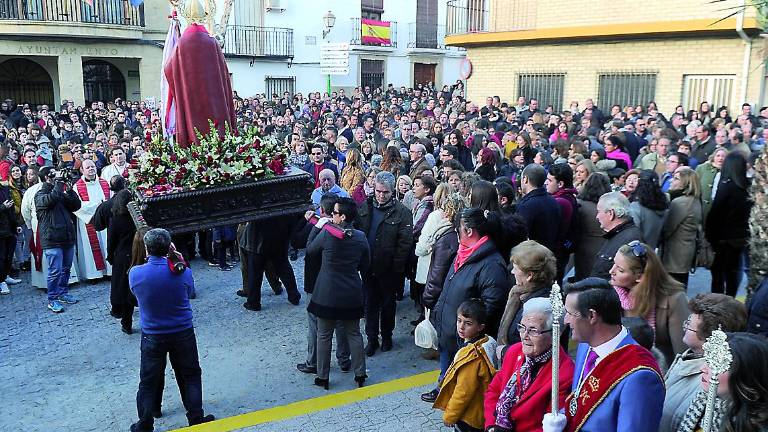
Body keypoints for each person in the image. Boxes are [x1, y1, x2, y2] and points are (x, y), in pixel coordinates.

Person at [542, 277, 665, 432]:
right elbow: (579, 404)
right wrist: (561, 418)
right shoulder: (585, 346)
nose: (565, 320)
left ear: (592, 316)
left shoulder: (640, 376)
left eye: (570, 313)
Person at [128, 229, 215, 431]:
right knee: (190, 375)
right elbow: (191, 292)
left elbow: (136, 297)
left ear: (146, 250)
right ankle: (195, 416)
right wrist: (179, 260)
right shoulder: (183, 272)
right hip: (182, 331)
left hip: (152, 334)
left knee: (148, 381)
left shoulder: (136, 274)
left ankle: (145, 423)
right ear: (169, 247)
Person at [424, 208, 509, 403]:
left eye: (458, 229)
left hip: (465, 339)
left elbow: (491, 304)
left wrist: (469, 332)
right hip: (449, 331)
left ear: (469, 231)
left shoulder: (491, 264)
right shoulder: (462, 253)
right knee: (447, 367)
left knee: (463, 384)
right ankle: (442, 389)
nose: (456, 233)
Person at [306, 197, 370, 390]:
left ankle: (323, 377)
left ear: (342, 217)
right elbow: (365, 264)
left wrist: (317, 226)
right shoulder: (360, 236)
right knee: (354, 334)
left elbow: (310, 250)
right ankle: (360, 373)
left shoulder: (327, 233)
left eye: (334, 213)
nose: (331, 215)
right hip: (351, 292)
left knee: (324, 334)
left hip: (326, 293)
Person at [485, 298, 575, 432]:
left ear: (554, 334)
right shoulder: (514, 352)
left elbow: (550, 426)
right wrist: (491, 426)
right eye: (522, 327)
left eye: (533, 330)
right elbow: (493, 391)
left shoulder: (564, 372)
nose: (524, 336)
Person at [660, 294, 747, 432]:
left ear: (710, 337)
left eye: (689, 325)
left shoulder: (711, 382)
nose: (684, 326)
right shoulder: (688, 357)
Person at [355, 171, 413, 356]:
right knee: (370, 305)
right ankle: (372, 338)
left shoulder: (403, 212)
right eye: (378, 191)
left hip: (389, 270)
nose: (381, 195)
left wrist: (396, 269)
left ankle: (387, 336)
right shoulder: (365, 207)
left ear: (392, 191)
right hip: (368, 267)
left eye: (385, 192)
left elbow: (404, 244)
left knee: (388, 305)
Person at [296, 194, 352, 376]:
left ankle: (313, 362)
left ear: (322, 210)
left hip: (315, 284)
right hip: (340, 283)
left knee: (316, 326)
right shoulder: (346, 228)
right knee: (341, 323)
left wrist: (307, 223)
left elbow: (299, 243)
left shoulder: (318, 228)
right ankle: (344, 359)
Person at [610, 241, 690, 364]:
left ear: (640, 277)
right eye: (614, 264)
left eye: (620, 270)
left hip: (661, 370)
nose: (611, 271)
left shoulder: (675, 299)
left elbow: (683, 353)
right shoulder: (611, 293)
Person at [433, 299, 498, 432]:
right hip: (481, 410)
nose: (461, 327)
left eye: (468, 323)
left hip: (469, 416)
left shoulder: (471, 356)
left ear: (480, 327)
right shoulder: (487, 342)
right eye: (459, 320)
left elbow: (463, 391)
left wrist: (450, 416)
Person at [496, 240, 556, 360]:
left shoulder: (541, 307)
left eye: (515, 268)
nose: (512, 272)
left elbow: (537, 348)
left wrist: (505, 352)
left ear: (529, 275)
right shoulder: (519, 294)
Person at [35, 166, 82, 313]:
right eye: (53, 175)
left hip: (66, 236)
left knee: (66, 268)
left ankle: (62, 292)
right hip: (51, 239)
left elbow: (76, 205)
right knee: (55, 271)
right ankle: (52, 299)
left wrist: (69, 189)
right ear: (47, 178)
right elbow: (51, 199)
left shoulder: (59, 192)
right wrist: (59, 184)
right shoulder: (40, 195)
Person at [705, 152, 752, 297]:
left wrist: (709, 236)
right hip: (741, 237)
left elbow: (715, 214)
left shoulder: (727, 187)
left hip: (723, 239)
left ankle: (718, 304)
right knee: (733, 272)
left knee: (718, 274)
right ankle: (730, 299)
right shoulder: (747, 187)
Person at [701, 332, 768, 432]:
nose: (703, 369)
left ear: (745, 377)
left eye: (716, 364)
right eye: (708, 361)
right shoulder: (703, 403)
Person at [660, 167, 702, 286]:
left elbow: (667, 229)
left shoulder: (680, 203)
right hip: (685, 253)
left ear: (686, 183)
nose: (671, 181)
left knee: (673, 291)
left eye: (676, 179)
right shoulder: (693, 200)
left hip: (675, 256)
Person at [72, 159, 112, 281]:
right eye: (88, 167)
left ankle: (109, 271)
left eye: (93, 166)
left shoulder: (105, 183)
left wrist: (104, 208)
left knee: (106, 243)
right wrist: (98, 207)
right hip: (88, 221)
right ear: (82, 170)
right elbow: (76, 206)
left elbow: (111, 200)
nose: (91, 169)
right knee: (90, 248)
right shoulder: (77, 186)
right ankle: (94, 275)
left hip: (105, 221)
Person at [590, 191, 643, 280]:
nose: (597, 216)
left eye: (599, 211)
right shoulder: (618, 234)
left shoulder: (630, 239)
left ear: (611, 213)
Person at [106, 190, 137, 334]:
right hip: (137, 253)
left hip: (122, 256)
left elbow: (111, 240)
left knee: (123, 289)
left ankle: (126, 323)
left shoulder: (116, 219)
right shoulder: (136, 217)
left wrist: (110, 256)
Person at [573, 173, 611, 281]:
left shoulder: (580, 205)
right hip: (605, 247)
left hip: (584, 247)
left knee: (582, 278)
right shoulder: (609, 206)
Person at [516, 163, 561, 252]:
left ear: (525, 179)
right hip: (550, 255)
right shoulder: (554, 201)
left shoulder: (526, 206)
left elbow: (519, 236)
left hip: (532, 257)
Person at [628, 169, 668, 249]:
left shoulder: (636, 207)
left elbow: (632, 234)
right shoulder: (664, 206)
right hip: (653, 251)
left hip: (636, 253)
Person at [0, 171, 20, 295]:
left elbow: (11, 207)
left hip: (9, 227)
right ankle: (1, 281)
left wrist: (16, 225)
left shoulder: (4, 188)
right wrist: (2, 207)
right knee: (1, 257)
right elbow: (5, 206)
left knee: (8, 255)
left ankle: (5, 276)